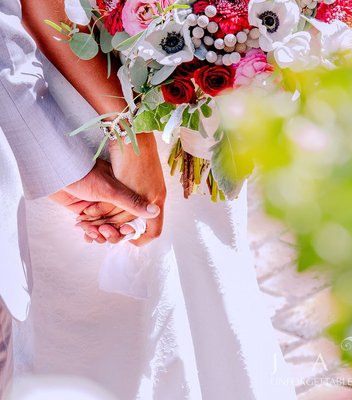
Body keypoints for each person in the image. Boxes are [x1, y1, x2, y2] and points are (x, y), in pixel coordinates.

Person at [1, 0, 297, 399]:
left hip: (194, 71)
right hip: (90, 95)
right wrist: (131, 137)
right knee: (118, 329)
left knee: (204, 282)